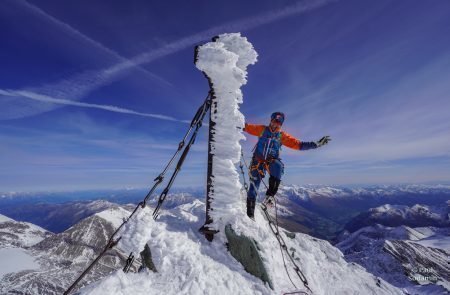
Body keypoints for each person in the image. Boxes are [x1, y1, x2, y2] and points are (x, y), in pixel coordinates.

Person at [243, 112, 330, 219]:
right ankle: (250, 214)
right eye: (274, 121)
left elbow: (298, 144)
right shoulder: (261, 129)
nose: (276, 124)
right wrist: (234, 121)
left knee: (278, 167)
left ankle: (270, 196)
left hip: (271, 161)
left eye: (279, 123)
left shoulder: (281, 136)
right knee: (254, 186)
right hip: (258, 161)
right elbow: (246, 127)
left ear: (281, 124)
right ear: (271, 120)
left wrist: (316, 144)